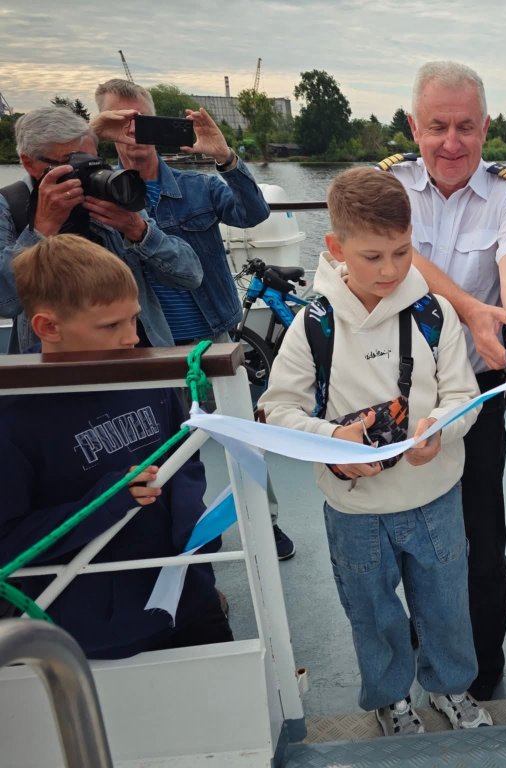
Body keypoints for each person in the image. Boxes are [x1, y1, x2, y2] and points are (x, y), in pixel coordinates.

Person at [260, 168, 489, 735]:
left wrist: (440, 426)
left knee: (447, 606)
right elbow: (277, 411)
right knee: (372, 613)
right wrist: (332, 439)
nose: (389, 270)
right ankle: (391, 699)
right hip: (355, 512)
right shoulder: (311, 326)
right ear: (335, 248)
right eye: (372, 257)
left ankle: (451, 688)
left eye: (401, 252)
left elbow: (466, 394)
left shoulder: (436, 313)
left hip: (434, 496)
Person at [383, 61, 506, 700]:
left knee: (483, 540)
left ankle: (482, 673)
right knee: (407, 538)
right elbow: (396, 258)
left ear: (486, 128)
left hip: (480, 392)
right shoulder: (388, 187)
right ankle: (426, 661)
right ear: (413, 126)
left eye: (465, 127)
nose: (451, 143)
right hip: (400, 396)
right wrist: (469, 307)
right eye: (436, 127)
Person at [0, 234, 231, 658]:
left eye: (134, 319)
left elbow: (184, 457)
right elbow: (8, 541)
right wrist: (107, 501)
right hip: (95, 629)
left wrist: (192, 530)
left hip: (187, 591)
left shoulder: (145, 376)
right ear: (48, 327)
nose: (132, 339)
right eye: (111, 326)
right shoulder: (13, 417)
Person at [92, 79, 295, 561]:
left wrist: (225, 158)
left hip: (213, 339)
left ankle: (265, 523)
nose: (132, 134)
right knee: (162, 451)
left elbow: (253, 211)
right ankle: (182, 537)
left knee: (240, 437)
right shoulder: (97, 196)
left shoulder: (198, 187)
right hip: (141, 347)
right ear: (103, 130)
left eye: (140, 121)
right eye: (118, 124)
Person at [0, 106, 202, 351]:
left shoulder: (113, 192)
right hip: (56, 372)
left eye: (93, 163)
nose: (89, 175)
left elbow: (191, 275)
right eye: (74, 163)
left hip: (140, 356)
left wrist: (138, 230)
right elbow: (5, 303)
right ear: (30, 164)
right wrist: (42, 229)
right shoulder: (10, 205)